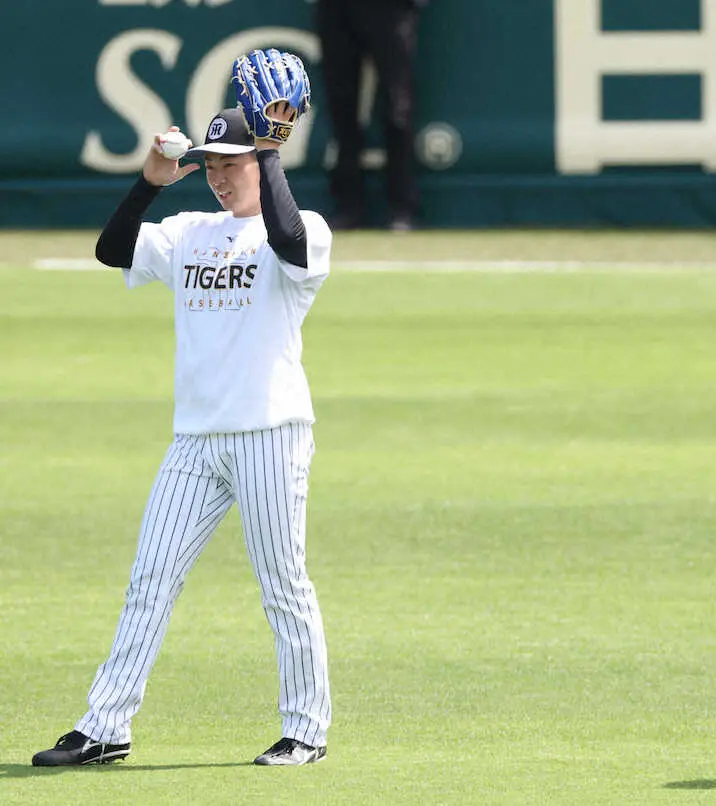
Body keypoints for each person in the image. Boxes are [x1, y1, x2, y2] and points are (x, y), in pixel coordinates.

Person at [32, 97, 333, 767]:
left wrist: (270, 151)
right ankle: (105, 726)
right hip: (195, 441)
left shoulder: (303, 228)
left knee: (283, 585)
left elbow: (288, 241)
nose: (218, 177)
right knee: (150, 580)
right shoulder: (190, 230)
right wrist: (148, 183)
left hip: (270, 433)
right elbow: (112, 250)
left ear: (260, 160)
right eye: (211, 165)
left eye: (231, 164)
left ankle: (306, 731)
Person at [314, 0, 428, 231]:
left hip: (390, 8)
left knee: (397, 107)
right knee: (341, 104)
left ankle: (402, 207)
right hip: (336, 7)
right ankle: (348, 207)